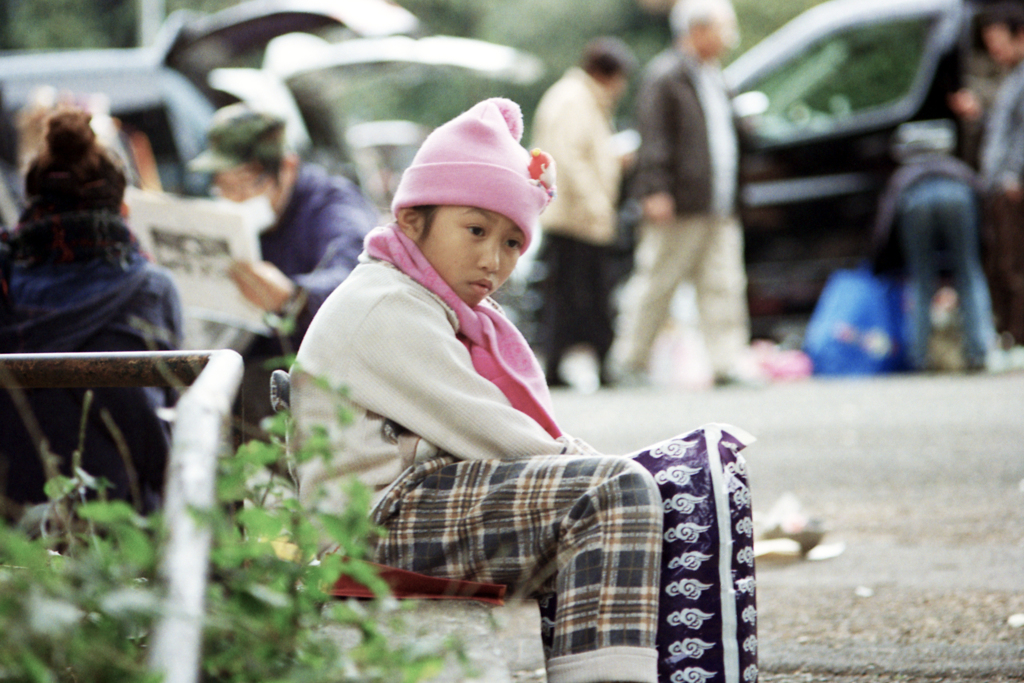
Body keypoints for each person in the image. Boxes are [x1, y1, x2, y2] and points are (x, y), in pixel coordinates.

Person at [291, 98, 757, 683]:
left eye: (513, 243)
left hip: (411, 505)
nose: (493, 259)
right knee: (613, 493)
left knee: (626, 492)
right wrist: (603, 471)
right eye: (476, 229)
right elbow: (492, 431)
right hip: (369, 525)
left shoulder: (425, 301)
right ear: (412, 218)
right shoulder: (385, 304)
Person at [0, 106, 182, 518]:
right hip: (117, 529)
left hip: (11, 531)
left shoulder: (5, 280)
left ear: (31, 203)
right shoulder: (149, 289)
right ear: (123, 208)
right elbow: (157, 428)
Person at [188, 103, 378, 431]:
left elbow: (356, 276)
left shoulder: (332, 205)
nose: (233, 197)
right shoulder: (231, 221)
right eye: (224, 185)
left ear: (287, 167)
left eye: (246, 183)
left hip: (318, 381)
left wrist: (292, 296)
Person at [613, 0, 756, 387]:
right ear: (697, 30)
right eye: (723, 28)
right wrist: (655, 189)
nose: (729, 38)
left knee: (724, 284)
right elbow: (654, 138)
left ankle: (727, 362)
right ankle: (629, 360)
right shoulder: (667, 75)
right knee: (657, 281)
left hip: (718, 201)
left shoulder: (715, 74)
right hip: (678, 201)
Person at [531, 37, 637, 388]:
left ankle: (565, 365)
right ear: (608, 74)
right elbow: (569, 159)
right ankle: (592, 366)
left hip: (577, 218)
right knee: (584, 297)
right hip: (577, 219)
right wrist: (596, 205)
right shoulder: (575, 100)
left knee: (573, 296)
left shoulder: (578, 97)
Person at [872, 120, 997, 371]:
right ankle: (980, 352)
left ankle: (918, 357)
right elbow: (982, 196)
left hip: (916, 201)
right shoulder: (957, 169)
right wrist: (988, 241)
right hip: (958, 197)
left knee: (920, 278)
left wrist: (879, 257)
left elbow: (885, 218)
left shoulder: (905, 176)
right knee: (969, 272)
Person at [974, 2, 1024, 347]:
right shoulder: (1012, 77)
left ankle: (1019, 337)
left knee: (1015, 265)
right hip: (999, 185)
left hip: (1011, 185)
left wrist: (1012, 174)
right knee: (1003, 263)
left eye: (998, 42)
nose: (994, 51)